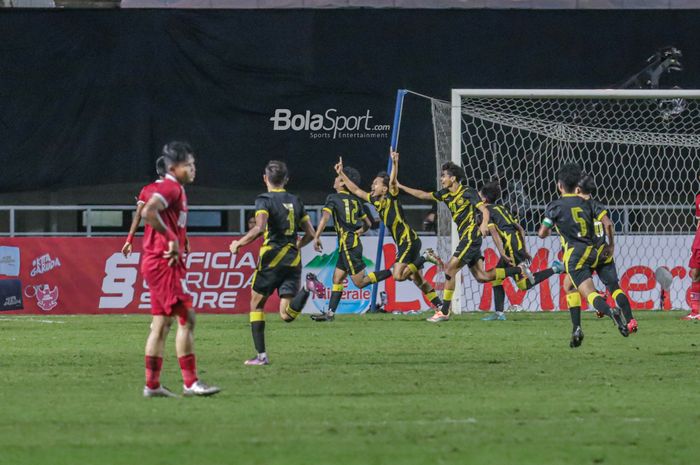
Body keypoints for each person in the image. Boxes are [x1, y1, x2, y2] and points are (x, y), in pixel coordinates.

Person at [398, 161, 532, 323]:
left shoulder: (468, 192)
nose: (441, 179)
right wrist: (401, 186)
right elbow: (423, 195)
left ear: (453, 178)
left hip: (470, 237)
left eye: (444, 176)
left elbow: (483, 209)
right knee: (482, 277)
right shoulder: (445, 194)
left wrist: (483, 223)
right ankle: (518, 270)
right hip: (465, 238)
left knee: (449, 270)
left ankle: (444, 312)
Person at [140, 141, 220, 397]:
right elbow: (148, 212)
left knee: (161, 325)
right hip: (164, 263)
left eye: (193, 164)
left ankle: (152, 386)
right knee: (187, 317)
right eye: (189, 165)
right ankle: (191, 382)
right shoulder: (170, 188)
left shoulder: (176, 188)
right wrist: (171, 238)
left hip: (158, 261)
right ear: (174, 167)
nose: (194, 169)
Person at [229, 160, 323, 366]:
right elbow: (310, 233)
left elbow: (260, 228)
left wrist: (239, 243)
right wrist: (298, 246)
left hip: (272, 258)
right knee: (286, 314)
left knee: (256, 304)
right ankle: (307, 289)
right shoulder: (296, 200)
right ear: (286, 179)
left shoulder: (264, 200)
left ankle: (261, 356)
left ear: (265, 179)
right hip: (293, 259)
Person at [336, 153, 443, 313]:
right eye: (373, 183)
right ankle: (441, 307)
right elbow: (356, 190)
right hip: (406, 242)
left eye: (376, 184)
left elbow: (393, 182)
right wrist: (341, 173)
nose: (372, 186)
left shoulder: (391, 198)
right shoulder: (375, 201)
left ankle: (425, 257)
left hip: (408, 241)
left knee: (398, 276)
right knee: (417, 279)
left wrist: (395, 163)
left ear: (385, 189)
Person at [538, 163, 629, 347]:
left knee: (588, 294)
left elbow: (542, 233)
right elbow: (607, 223)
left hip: (574, 255)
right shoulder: (588, 203)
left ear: (560, 185)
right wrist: (610, 246)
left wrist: (550, 228)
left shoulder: (554, 206)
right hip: (593, 250)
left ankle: (612, 312)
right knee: (568, 285)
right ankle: (576, 328)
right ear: (576, 185)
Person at [311, 166, 392, 322]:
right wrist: (360, 231)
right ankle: (330, 314)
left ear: (342, 182)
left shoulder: (332, 198)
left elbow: (325, 217)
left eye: (337, 178)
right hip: (350, 244)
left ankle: (392, 270)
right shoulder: (355, 200)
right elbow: (368, 223)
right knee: (337, 278)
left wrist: (317, 236)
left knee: (360, 282)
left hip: (348, 245)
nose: (334, 180)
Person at [478, 180, 564, 321]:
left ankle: (555, 268)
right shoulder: (501, 208)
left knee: (522, 284)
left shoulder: (486, 212)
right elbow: (520, 228)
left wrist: (503, 252)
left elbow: (494, 233)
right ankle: (499, 314)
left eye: (479, 195)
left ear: (484, 199)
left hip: (509, 247)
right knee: (496, 278)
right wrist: (523, 249)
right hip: (515, 244)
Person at [570, 174, 637, 337]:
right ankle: (630, 321)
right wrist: (611, 244)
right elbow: (608, 223)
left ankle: (602, 308)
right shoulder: (596, 206)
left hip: (585, 254)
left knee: (574, 287)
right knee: (615, 288)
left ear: (577, 189)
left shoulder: (573, 208)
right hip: (603, 253)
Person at [121, 156, 166, 258]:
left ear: (157, 170)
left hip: (152, 242)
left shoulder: (147, 190)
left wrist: (129, 240)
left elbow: (137, 216)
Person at [683, 173, 700, 320]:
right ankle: (695, 311)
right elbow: (698, 222)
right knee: (695, 273)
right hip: (699, 242)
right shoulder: (698, 198)